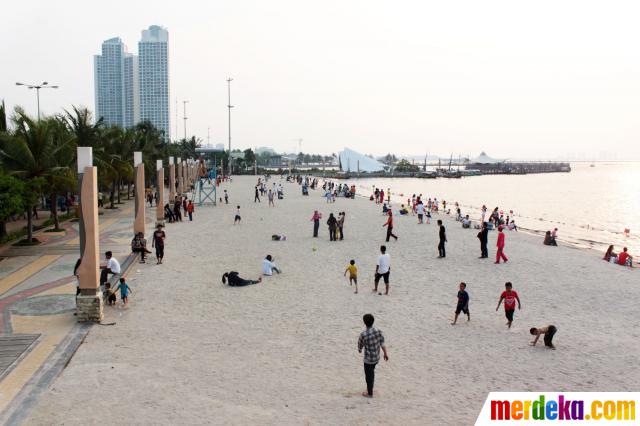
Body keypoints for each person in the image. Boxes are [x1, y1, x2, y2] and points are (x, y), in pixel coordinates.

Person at [357, 314, 389, 398]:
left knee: (369, 377)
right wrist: (385, 353)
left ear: (364, 323)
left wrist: (360, 350)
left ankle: (370, 393)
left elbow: (360, 345)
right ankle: (370, 389)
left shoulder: (363, 334)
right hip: (376, 358)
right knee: (371, 372)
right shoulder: (378, 331)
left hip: (368, 360)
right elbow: (382, 342)